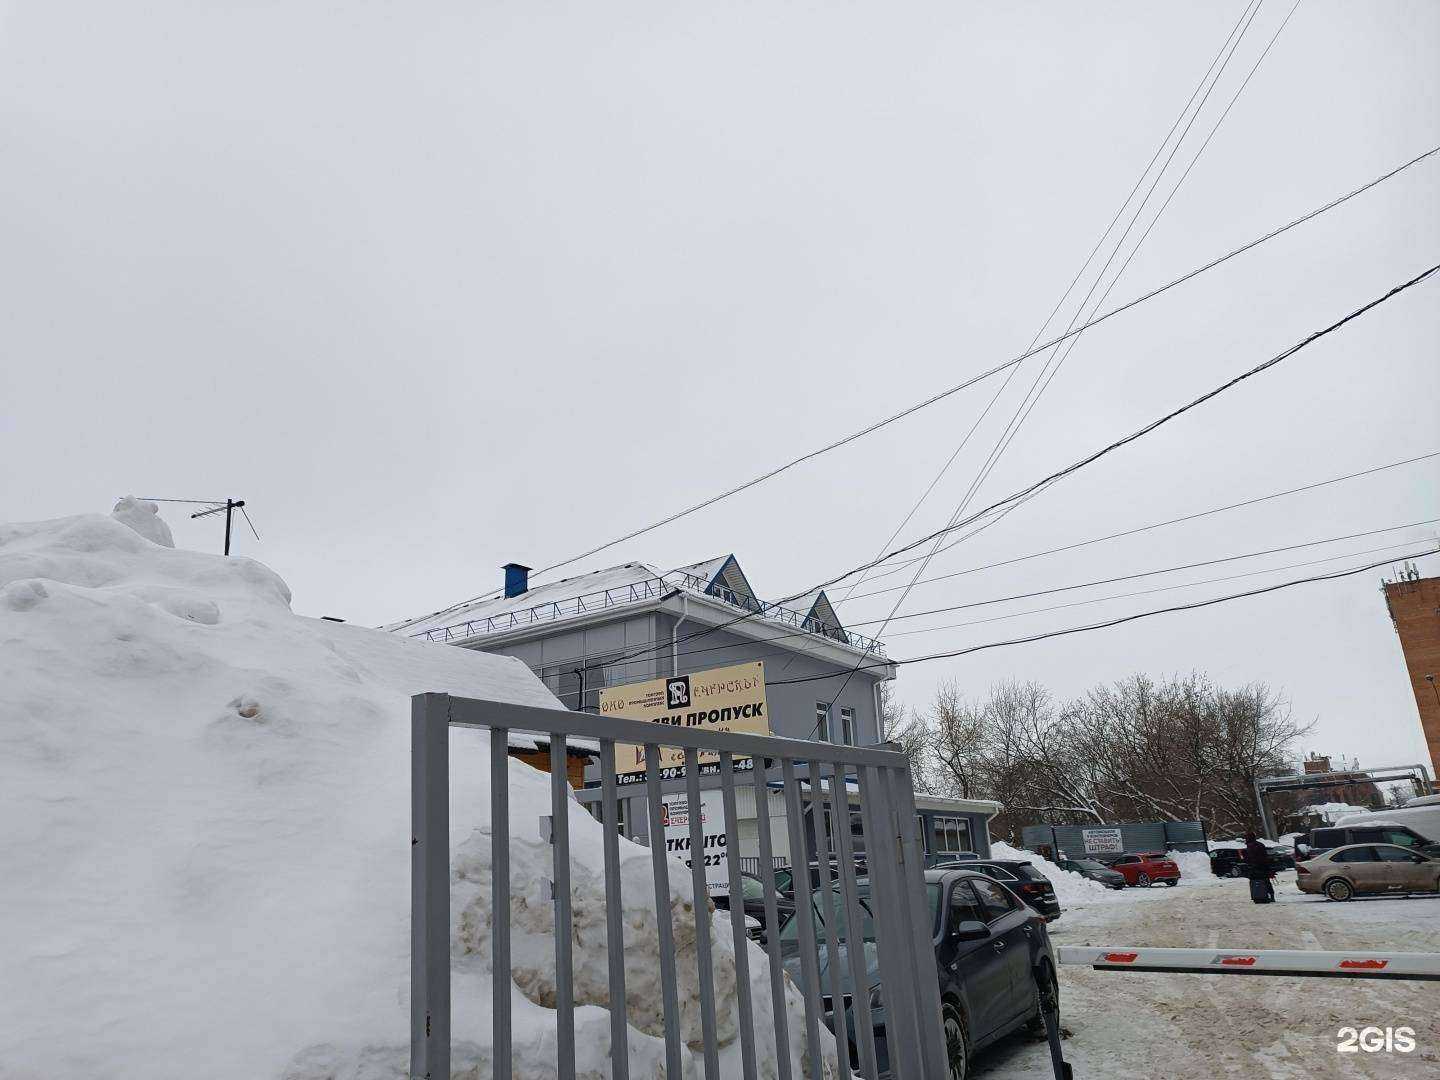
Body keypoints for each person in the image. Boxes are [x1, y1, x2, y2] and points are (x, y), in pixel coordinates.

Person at [1243, 832, 1275, 903]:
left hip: (1255, 868)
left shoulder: (1250, 846)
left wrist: (1249, 864)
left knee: (1257, 882)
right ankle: (1270, 896)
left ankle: (1258, 896)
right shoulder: (1260, 844)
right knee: (1266, 882)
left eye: (1246, 837)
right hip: (1263, 867)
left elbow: (1249, 858)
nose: (1245, 839)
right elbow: (1265, 857)